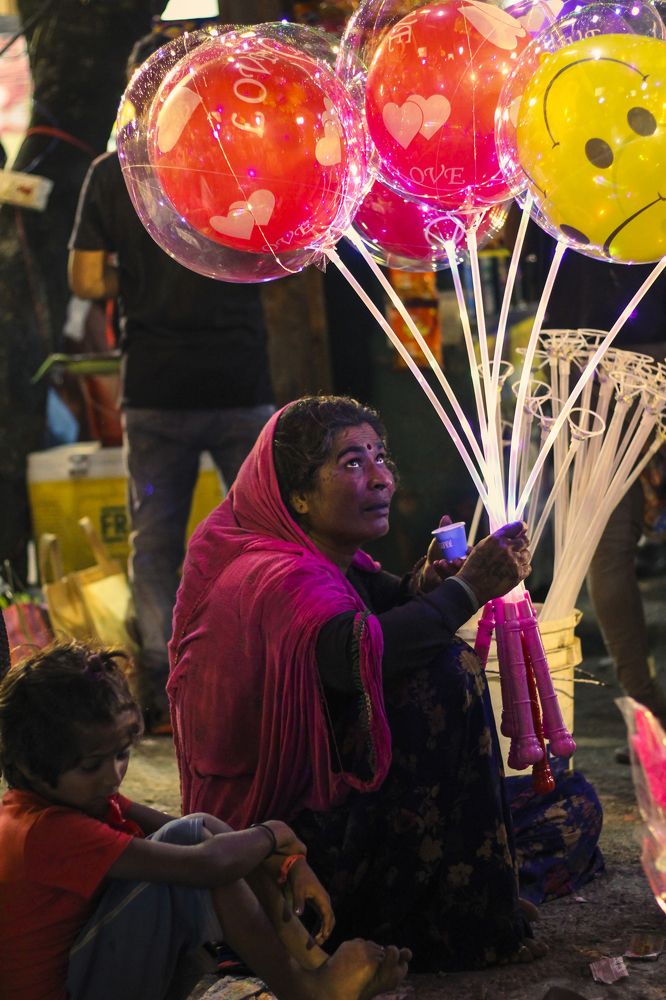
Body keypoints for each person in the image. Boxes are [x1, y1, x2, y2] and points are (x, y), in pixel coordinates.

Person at [168, 394, 546, 973]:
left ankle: (462, 889)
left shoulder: (313, 555)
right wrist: (466, 591)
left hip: (323, 823)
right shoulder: (274, 574)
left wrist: (428, 584)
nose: (381, 478)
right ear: (295, 494)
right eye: (352, 463)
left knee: (565, 807)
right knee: (446, 675)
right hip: (284, 853)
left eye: (380, 456)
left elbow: (371, 610)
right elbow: (357, 653)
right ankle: (453, 919)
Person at [0, 640, 411, 1000]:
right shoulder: (45, 831)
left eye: (122, 755)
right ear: (32, 768)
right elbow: (205, 862)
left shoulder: (78, 798)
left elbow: (203, 832)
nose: (113, 776)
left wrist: (286, 858)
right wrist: (277, 833)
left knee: (199, 829)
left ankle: (311, 966)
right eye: (92, 766)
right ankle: (305, 989)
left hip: (87, 973)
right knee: (195, 852)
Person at [67, 29, 275, 733]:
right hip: (241, 379)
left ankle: (165, 694)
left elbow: (86, 278)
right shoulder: (241, 160)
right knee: (266, 533)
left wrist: (142, 275)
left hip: (155, 386)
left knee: (157, 545)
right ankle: (270, 672)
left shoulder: (109, 173)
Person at [540, 234, 666, 755]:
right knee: (606, 548)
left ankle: (649, 716)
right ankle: (648, 714)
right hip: (606, 338)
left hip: (581, 347)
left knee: (605, 545)